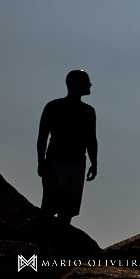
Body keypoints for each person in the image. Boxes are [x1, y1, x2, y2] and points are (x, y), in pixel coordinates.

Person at [37, 69, 98, 254]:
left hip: (77, 163)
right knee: (50, 208)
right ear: (75, 83)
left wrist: (94, 163)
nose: (90, 84)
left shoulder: (88, 111)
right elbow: (42, 136)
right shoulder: (54, 106)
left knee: (67, 211)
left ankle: (56, 251)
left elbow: (91, 139)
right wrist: (41, 161)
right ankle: (43, 250)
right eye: (86, 81)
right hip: (57, 162)